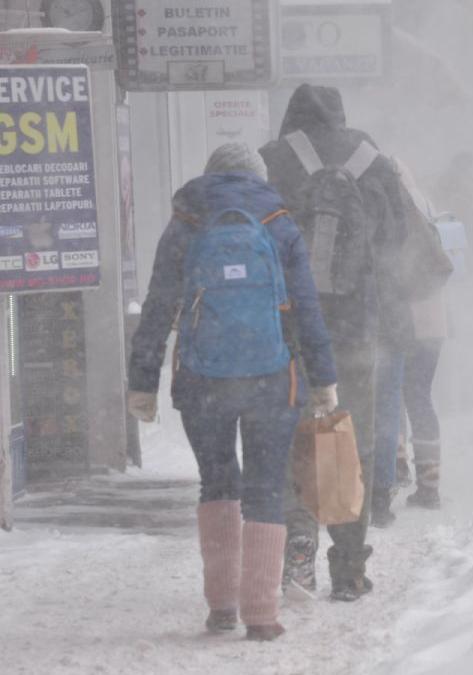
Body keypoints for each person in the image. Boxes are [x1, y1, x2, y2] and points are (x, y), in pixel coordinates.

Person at [126, 143, 338, 641]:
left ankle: (221, 606)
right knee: (265, 489)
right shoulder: (280, 222)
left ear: (212, 176)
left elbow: (159, 305)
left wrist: (142, 380)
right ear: (257, 178)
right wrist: (324, 377)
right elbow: (307, 308)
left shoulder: (186, 220)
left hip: (202, 378)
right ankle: (261, 614)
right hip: (272, 377)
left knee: (217, 483)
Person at [260, 84, 417, 601]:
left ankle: (298, 544)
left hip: (289, 328)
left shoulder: (274, 159)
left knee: (293, 433)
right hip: (356, 325)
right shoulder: (371, 158)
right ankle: (349, 566)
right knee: (352, 440)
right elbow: (399, 242)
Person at [371, 160, 449, 525]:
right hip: (434, 318)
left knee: (391, 392)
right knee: (420, 395)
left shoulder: (389, 208)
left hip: (404, 314)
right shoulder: (428, 206)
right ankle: (430, 484)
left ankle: (397, 467)